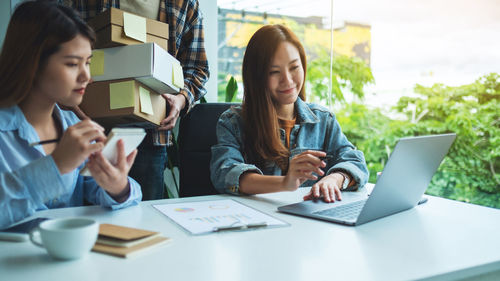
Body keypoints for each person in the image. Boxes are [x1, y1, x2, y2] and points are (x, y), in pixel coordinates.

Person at [0, 1, 142, 229]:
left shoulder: (72, 126)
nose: (87, 76)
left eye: (88, 63)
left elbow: (111, 192)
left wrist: (117, 185)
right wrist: (56, 165)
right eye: (72, 64)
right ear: (32, 63)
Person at [61, 0, 210, 200]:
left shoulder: (185, 4)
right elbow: (52, 46)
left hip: (150, 135)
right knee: (85, 213)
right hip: (85, 129)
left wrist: (180, 100)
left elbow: (198, 69)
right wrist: (67, 100)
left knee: (141, 216)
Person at [210, 24, 369, 202]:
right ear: (256, 77)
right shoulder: (233, 123)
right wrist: (285, 183)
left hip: (311, 222)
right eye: (274, 72)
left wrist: (334, 179)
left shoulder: (323, 120)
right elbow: (226, 173)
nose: (288, 80)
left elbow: (355, 162)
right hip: (260, 222)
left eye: (294, 67)